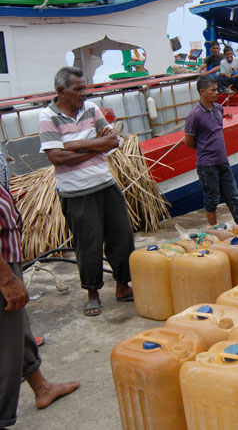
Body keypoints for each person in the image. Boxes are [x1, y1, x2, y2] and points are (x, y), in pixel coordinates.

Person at [39, 67, 134, 317]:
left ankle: (123, 286)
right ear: (62, 91)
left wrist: (78, 144)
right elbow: (58, 157)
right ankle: (93, 292)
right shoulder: (47, 117)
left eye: (84, 87)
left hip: (105, 184)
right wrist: (97, 146)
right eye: (78, 88)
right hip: (76, 192)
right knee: (88, 244)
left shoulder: (91, 109)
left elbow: (113, 141)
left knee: (121, 236)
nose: (84, 92)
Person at [0, 157, 80, 428]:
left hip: (7, 256)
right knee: (5, 349)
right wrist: (6, 278)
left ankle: (41, 387)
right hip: (1, 265)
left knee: (17, 330)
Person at [185, 76, 238, 229]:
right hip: (207, 165)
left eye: (217, 89)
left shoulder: (218, 109)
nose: (217, 92)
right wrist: (205, 149)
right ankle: (214, 228)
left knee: (233, 195)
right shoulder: (195, 115)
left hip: (223, 161)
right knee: (212, 198)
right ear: (202, 91)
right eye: (213, 90)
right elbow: (188, 141)